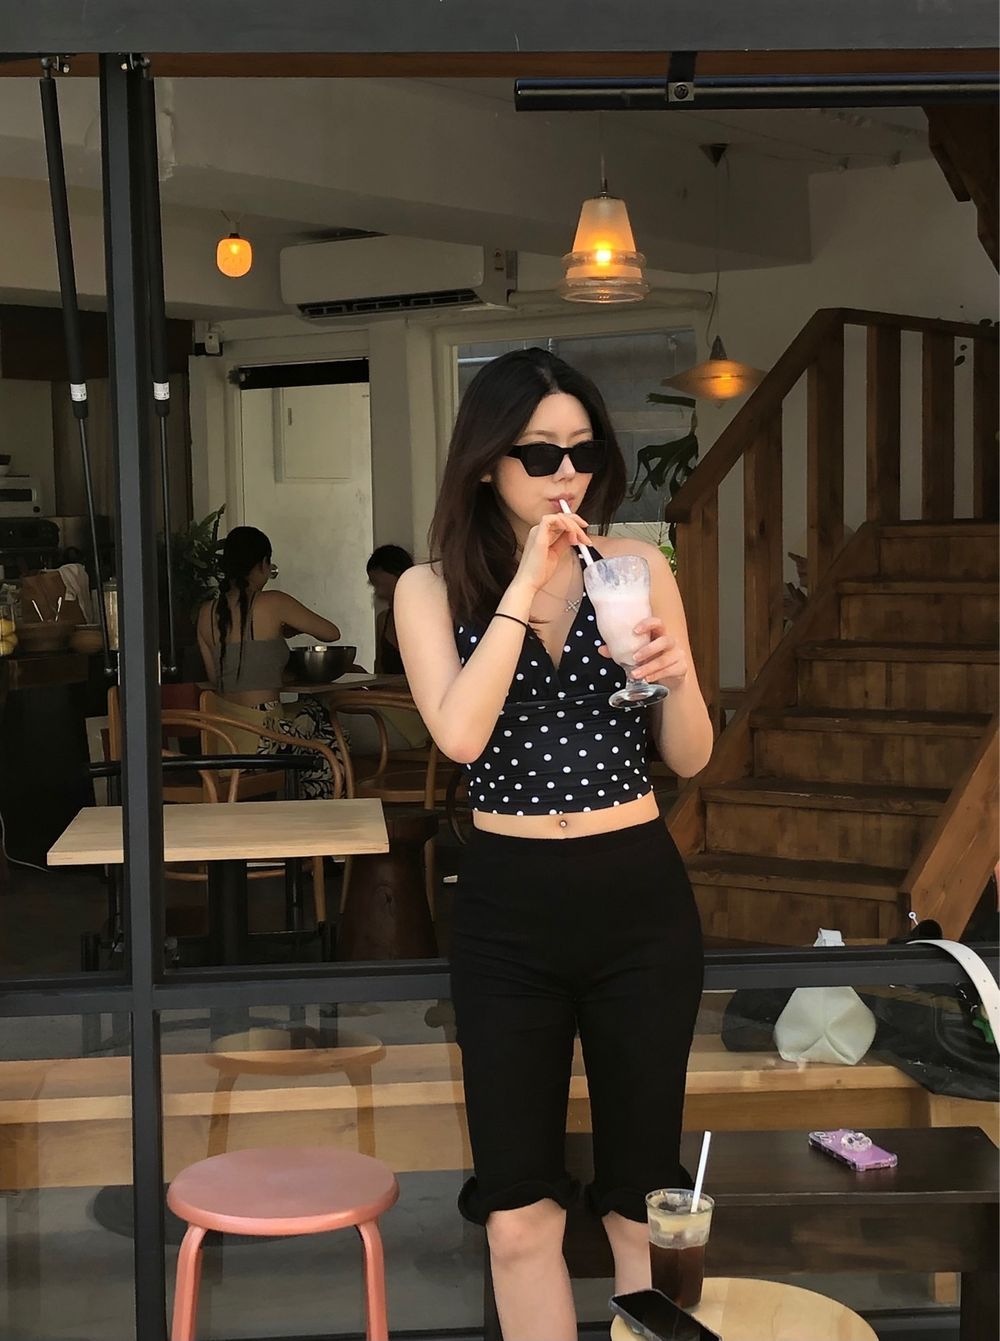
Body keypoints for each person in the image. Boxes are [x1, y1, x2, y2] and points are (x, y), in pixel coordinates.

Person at [395, 348, 714, 1341]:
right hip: (508, 904)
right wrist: (522, 590)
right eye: (539, 455)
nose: (565, 474)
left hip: (637, 896)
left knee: (638, 1201)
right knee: (519, 1213)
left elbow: (691, 756)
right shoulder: (430, 589)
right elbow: (460, 736)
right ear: (486, 462)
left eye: (582, 452)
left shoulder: (635, 568)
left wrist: (673, 673)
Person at [195, 525, 345, 799]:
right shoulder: (274, 602)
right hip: (266, 736)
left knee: (308, 720)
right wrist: (290, 627)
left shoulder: (206, 612)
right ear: (263, 564)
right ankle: (320, 807)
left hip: (226, 736)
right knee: (325, 718)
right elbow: (331, 633)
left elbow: (218, 679)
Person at [366, 544, 413, 675]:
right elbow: (380, 668)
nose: (378, 592)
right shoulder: (383, 620)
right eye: (374, 585)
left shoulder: (429, 616)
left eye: (378, 584)